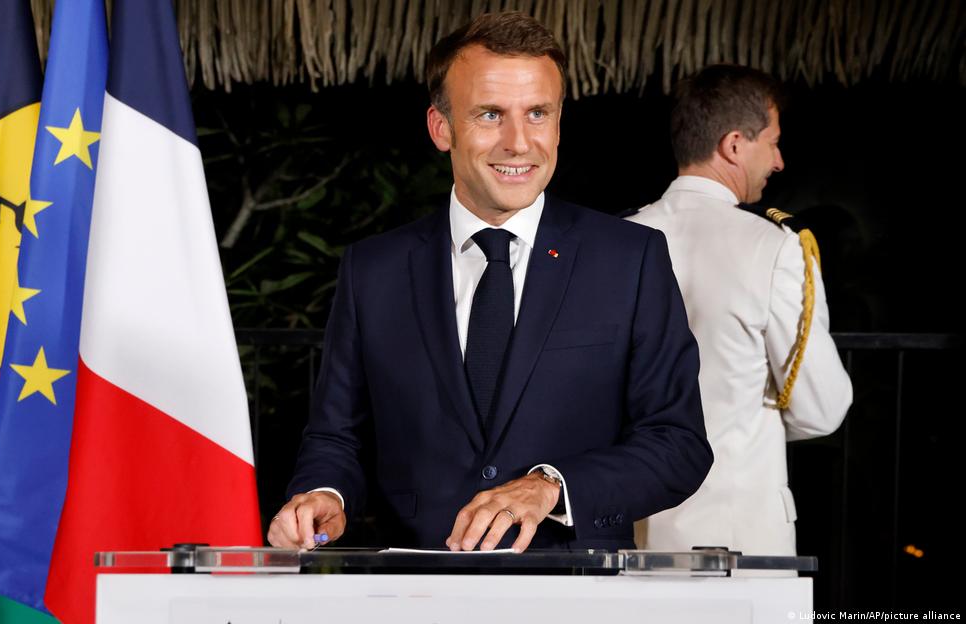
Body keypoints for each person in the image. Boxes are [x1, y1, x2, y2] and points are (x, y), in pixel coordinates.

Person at [268, 12, 712, 553]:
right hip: (414, 582)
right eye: (490, 114)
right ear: (441, 127)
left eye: (537, 114)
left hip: (577, 584)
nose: (518, 142)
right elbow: (337, 436)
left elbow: (678, 444)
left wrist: (552, 487)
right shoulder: (373, 269)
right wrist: (325, 494)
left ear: (558, 124)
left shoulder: (630, 259)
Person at [626, 65, 853, 556]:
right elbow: (821, 409)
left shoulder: (620, 239)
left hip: (633, 526)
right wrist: (745, 414)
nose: (779, 161)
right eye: (772, 143)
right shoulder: (774, 245)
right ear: (733, 145)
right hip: (740, 534)